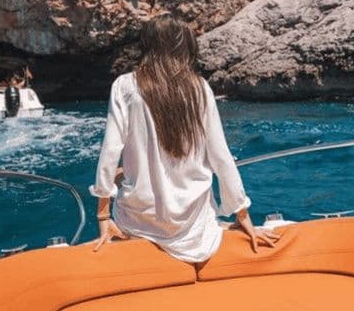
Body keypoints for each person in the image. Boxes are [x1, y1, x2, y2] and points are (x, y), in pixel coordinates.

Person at [90, 15, 279, 262]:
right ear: (185, 46)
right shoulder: (199, 87)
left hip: (140, 222)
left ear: (147, 45)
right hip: (194, 225)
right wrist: (242, 217)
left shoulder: (125, 86)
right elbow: (220, 156)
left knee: (120, 173)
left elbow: (110, 151)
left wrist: (103, 218)